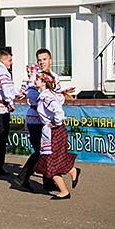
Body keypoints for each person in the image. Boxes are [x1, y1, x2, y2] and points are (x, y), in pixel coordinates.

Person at [33, 71, 81, 200]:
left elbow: (58, 111)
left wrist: (56, 122)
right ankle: (72, 171)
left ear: (43, 82)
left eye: (37, 79)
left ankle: (64, 191)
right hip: (54, 131)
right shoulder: (47, 94)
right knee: (54, 160)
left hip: (53, 132)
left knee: (51, 163)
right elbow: (60, 99)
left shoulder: (46, 97)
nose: (35, 80)